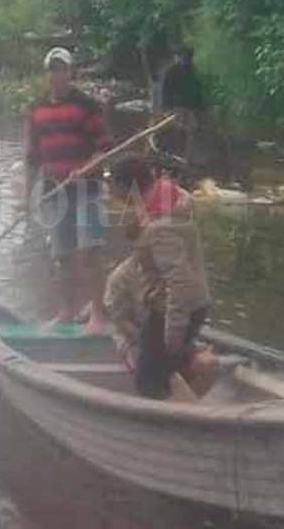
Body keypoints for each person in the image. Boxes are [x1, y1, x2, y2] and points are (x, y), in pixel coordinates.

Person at [103, 155, 217, 401]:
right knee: (161, 366)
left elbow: (179, 282)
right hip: (193, 303)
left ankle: (181, 422)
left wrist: (172, 336)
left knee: (148, 382)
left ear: (126, 186)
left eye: (111, 182)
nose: (109, 188)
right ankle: (186, 401)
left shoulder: (160, 226)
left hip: (172, 309)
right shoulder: (172, 200)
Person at [24, 47, 112, 330]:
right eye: (52, 69)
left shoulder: (87, 105)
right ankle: (66, 311)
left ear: (70, 73)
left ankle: (97, 313)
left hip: (86, 189)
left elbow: (105, 150)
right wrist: (27, 198)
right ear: (47, 73)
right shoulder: (36, 109)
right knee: (62, 255)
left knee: (90, 250)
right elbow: (32, 158)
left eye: (62, 69)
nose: (56, 75)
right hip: (54, 192)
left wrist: (87, 167)